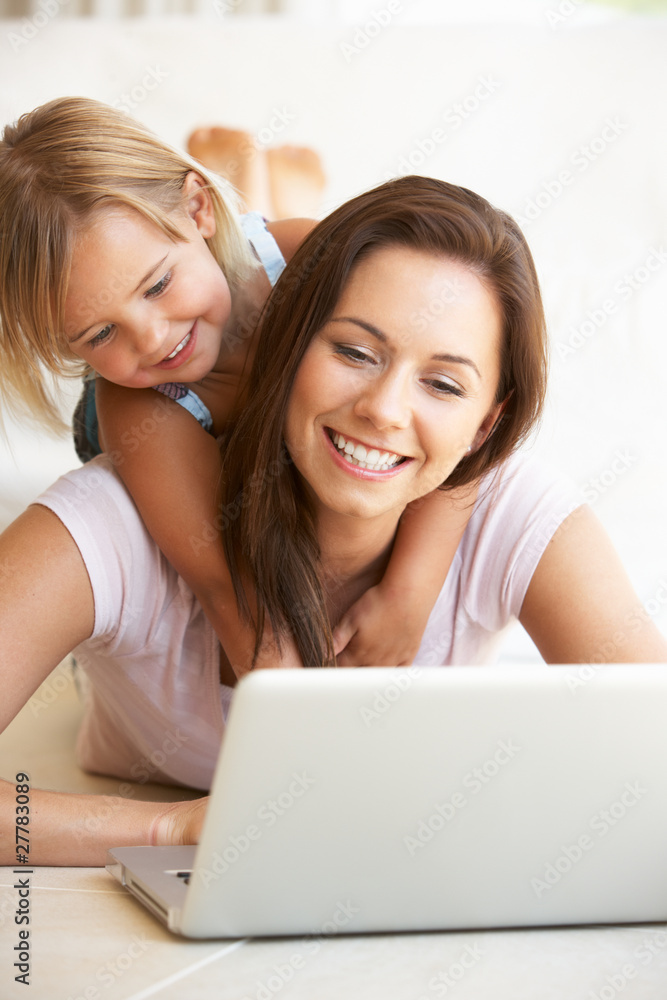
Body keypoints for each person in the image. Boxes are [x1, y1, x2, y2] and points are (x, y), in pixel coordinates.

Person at [1, 175, 665, 867]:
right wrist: (172, 831)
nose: (383, 409)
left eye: (442, 384)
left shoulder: (506, 506)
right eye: (351, 350)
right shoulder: (115, 518)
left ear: (484, 427)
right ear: (284, 347)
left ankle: (253, 177)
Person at [0, 96, 473, 677]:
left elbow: (462, 416)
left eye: (157, 285)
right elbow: (227, 590)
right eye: (99, 332)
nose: (150, 340)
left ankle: (258, 192)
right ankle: (244, 187)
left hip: (257, 274)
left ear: (197, 209)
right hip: (164, 421)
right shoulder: (132, 402)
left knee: (294, 274)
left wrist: (409, 592)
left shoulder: (301, 255)